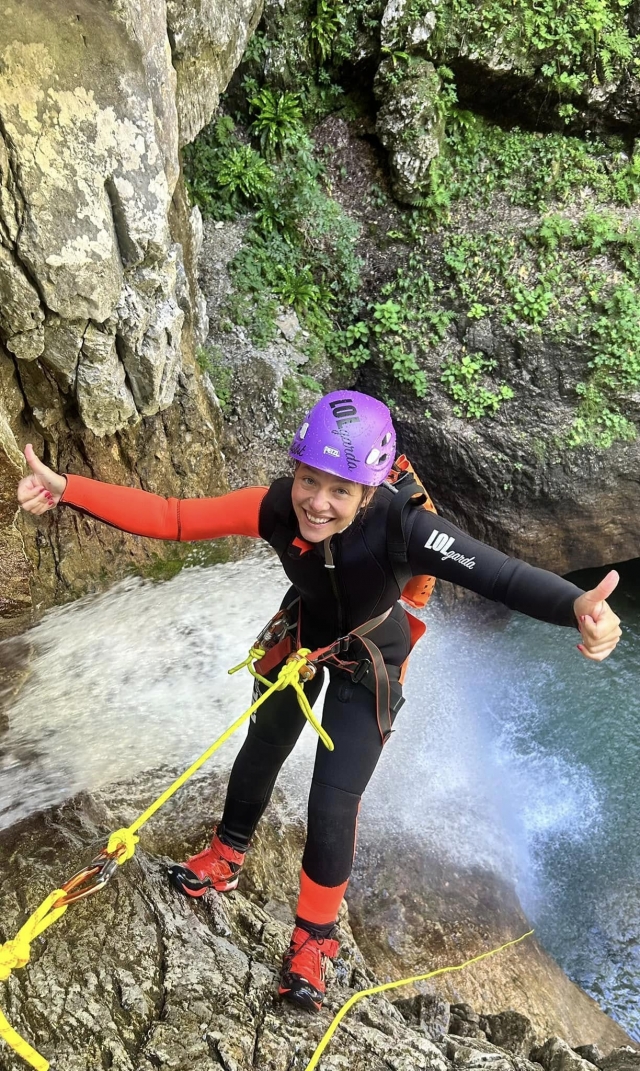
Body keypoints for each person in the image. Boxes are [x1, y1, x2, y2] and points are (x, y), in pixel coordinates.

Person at [17, 391, 621, 1013]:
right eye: (309, 480)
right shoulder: (277, 506)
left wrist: (576, 606)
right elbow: (173, 517)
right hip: (302, 634)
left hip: (372, 659)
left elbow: (500, 575)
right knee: (262, 747)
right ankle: (226, 855)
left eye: (340, 490)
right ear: (296, 471)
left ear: (369, 491)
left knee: (332, 800)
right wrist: (68, 489)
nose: (317, 502)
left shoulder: (406, 528)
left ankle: (314, 939)